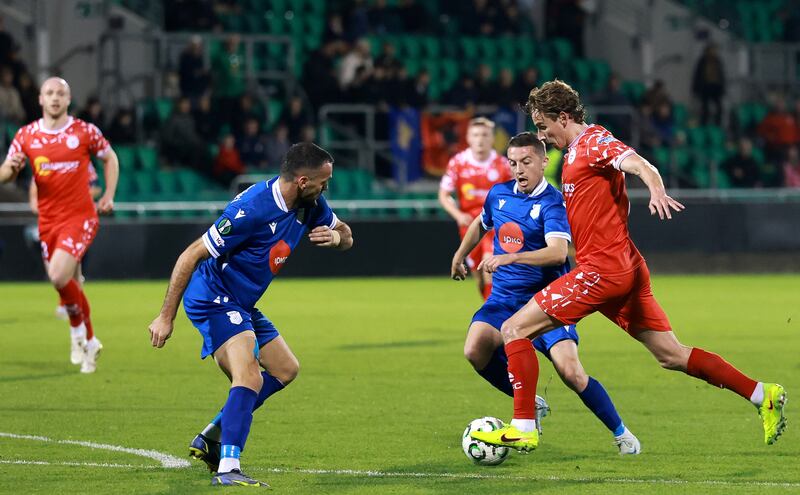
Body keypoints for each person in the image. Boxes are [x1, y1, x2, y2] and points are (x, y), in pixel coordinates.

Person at [470, 80, 786, 452]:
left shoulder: (593, 142)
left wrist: (655, 188)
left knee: (513, 329)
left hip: (601, 271)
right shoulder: (572, 151)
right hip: (624, 266)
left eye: (543, 126)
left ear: (565, 117)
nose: (542, 135)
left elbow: (638, 163)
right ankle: (761, 394)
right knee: (671, 354)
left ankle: (524, 426)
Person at [148, 142, 353, 487]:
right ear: (303, 181)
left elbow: (347, 235)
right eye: (323, 181)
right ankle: (228, 468)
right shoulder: (252, 209)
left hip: (241, 303)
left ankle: (211, 435)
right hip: (213, 297)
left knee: (286, 369)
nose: (326, 188)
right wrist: (165, 317)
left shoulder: (311, 204)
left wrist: (335, 238)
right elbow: (190, 255)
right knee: (249, 375)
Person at [452, 132, 640, 454]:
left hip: (547, 303)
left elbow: (557, 253)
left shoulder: (553, 203)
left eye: (526, 162)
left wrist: (509, 257)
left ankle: (621, 433)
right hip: (504, 300)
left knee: (570, 372)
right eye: (513, 163)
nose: (519, 169)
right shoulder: (498, 195)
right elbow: (479, 225)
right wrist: (459, 255)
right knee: (475, 349)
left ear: (543, 161)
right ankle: (531, 405)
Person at [0, 77, 119, 373]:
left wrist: (108, 194)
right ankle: (87, 339)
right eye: (49, 93)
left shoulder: (83, 131)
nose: (55, 98)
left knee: (57, 275)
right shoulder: (26, 135)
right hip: (48, 221)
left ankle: (81, 335)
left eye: (61, 93)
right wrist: (9, 171)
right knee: (68, 283)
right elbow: (6, 171)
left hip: (80, 217)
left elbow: (110, 158)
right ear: (40, 99)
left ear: (68, 100)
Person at [438, 117, 511, 300]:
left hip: (495, 225)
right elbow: (444, 194)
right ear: (468, 138)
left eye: (485, 135)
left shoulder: (503, 165)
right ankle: (490, 306)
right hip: (469, 224)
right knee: (479, 276)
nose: (480, 139)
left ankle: (494, 317)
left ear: (492, 138)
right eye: (476, 135)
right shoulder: (458, 162)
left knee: (490, 268)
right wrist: (458, 215)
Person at [30, 163, 103, 320]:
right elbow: (34, 191)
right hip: (51, 222)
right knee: (55, 272)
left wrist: (78, 196)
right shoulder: (45, 163)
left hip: (75, 222)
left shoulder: (80, 164)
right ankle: (73, 305)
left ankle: (69, 306)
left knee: (66, 270)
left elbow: (97, 188)